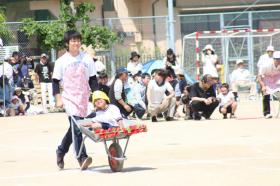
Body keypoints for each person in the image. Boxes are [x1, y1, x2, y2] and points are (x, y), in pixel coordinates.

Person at [52, 30, 98, 170]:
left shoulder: (87, 58)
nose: (76, 43)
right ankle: (82, 157)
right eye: (73, 41)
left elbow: (93, 79)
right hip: (70, 99)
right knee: (78, 127)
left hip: (84, 99)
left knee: (75, 128)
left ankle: (60, 150)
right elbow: (55, 81)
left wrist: (96, 96)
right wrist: (58, 99)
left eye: (78, 40)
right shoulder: (61, 61)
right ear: (67, 43)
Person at [258, 51, 280, 119]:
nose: (279, 61)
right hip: (266, 79)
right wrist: (263, 86)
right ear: (274, 59)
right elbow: (259, 76)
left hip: (276, 79)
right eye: (277, 59)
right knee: (266, 95)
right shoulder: (266, 65)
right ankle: (267, 113)